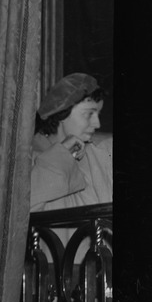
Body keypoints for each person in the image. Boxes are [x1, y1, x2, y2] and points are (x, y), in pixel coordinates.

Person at [30, 72, 112, 213]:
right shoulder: (31, 159)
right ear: (62, 112)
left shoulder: (99, 154)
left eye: (98, 114)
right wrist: (61, 155)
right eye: (89, 114)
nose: (97, 124)